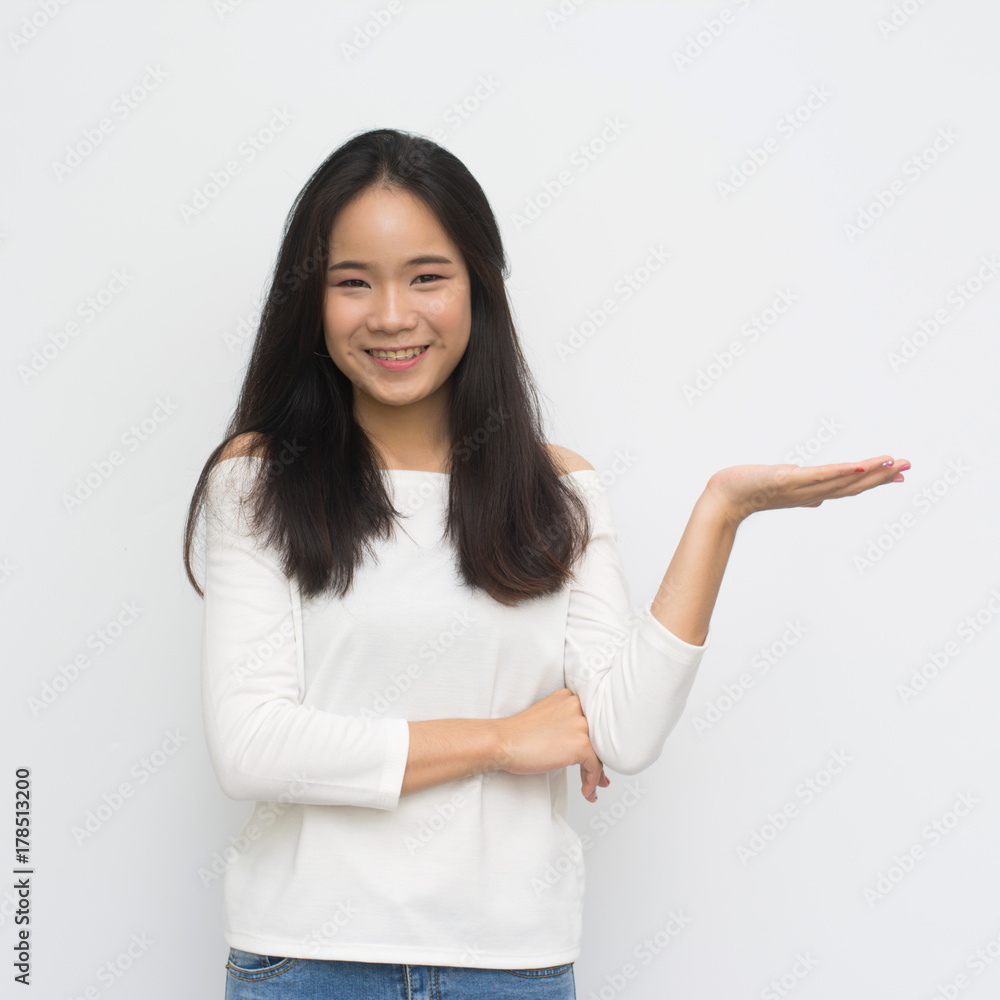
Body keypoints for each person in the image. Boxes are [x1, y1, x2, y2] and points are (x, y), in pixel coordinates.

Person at [183, 127, 909, 1000]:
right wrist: (501, 740)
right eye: (353, 282)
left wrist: (722, 511)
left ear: (479, 285)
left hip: (512, 965)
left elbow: (621, 733)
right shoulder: (259, 479)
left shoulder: (557, 490)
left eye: (427, 277)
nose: (391, 315)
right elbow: (251, 748)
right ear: (311, 299)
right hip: (307, 959)